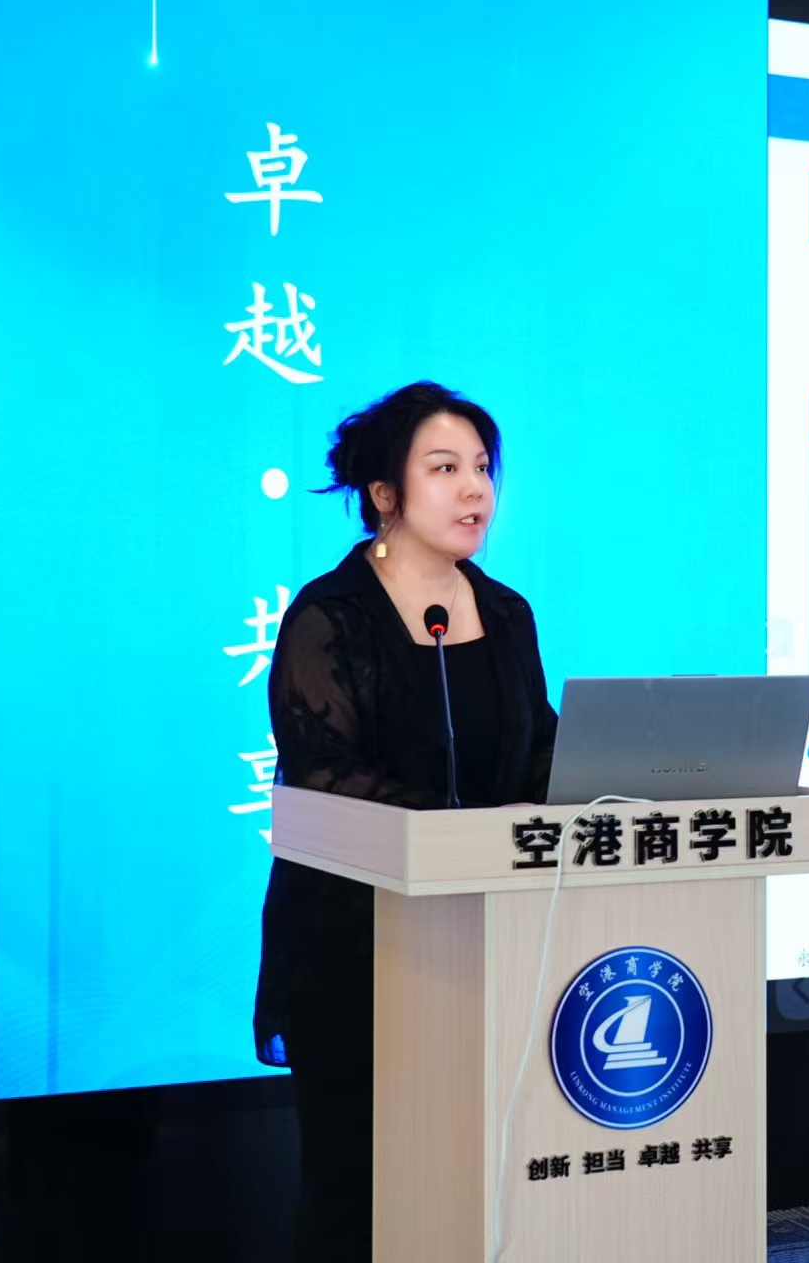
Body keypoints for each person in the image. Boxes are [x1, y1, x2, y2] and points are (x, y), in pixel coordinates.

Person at [253, 381, 560, 1257]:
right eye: (445, 468)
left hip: (487, 940)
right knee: (362, 1190)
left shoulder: (506, 614)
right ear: (384, 493)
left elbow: (537, 750)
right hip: (357, 947)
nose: (475, 490)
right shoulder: (330, 618)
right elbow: (328, 776)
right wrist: (478, 827)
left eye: (482, 468)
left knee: (476, 1182)